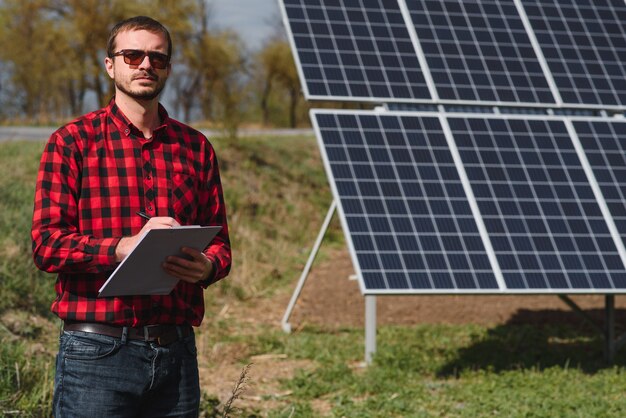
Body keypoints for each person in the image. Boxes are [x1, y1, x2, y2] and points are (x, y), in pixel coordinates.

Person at [30, 15, 231, 417]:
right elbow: (46, 245)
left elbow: (220, 244)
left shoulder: (196, 147)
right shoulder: (72, 142)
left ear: (168, 68)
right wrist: (122, 248)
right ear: (110, 64)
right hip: (96, 352)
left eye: (157, 58)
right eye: (133, 55)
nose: (145, 65)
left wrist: (207, 267)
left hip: (175, 351)